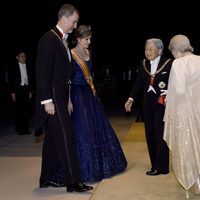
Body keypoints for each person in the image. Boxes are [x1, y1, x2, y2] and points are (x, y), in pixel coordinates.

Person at [35, 4, 93, 192]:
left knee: (52, 139)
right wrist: (47, 101)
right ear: (65, 18)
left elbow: (64, 74)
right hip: (52, 98)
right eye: (74, 21)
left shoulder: (62, 40)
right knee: (68, 137)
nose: (75, 25)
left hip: (60, 97)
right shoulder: (48, 39)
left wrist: (67, 98)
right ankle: (74, 182)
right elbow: (42, 73)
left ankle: (46, 178)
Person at [68, 25, 127, 182]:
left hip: (89, 93)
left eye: (90, 38)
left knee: (97, 126)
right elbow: (67, 79)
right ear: (79, 39)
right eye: (86, 39)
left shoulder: (89, 52)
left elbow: (90, 74)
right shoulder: (71, 54)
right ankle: (83, 169)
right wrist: (67, 99)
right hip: (76, 94)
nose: (89, 41)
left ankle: (100, 165)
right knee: (83, 129)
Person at [125, 38, 173, 176]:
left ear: (160, 49)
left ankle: (161, 167)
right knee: (150, 133)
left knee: (160, 134)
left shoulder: (169, 63)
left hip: (162, 103)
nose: (148, 52)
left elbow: (176, 81)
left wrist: (172, 91)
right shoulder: (143, 63)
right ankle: (155, 164)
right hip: (147, 104)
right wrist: (131, 98)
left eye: (151, 49)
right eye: (146, 49)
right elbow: (138, 83)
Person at [163, 34, 200, 198]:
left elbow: (179, 91)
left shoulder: (178, 63)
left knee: (189, 146)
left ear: (176, 49)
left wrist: (168, 94)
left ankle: (195, 182)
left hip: (186, 112)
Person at [8, 50, 33, 135]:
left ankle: (25, 129)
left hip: (25, 89)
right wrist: (12, 92)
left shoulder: (27, 66)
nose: (23, 58)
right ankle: (19, 129)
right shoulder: (13, 67)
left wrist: (29, 90)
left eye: (24, 56)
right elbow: (11, 80)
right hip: (17, 90)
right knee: (18, 111)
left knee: (26, 110)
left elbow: (29, 79)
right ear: (17, 57)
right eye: (21, 56)